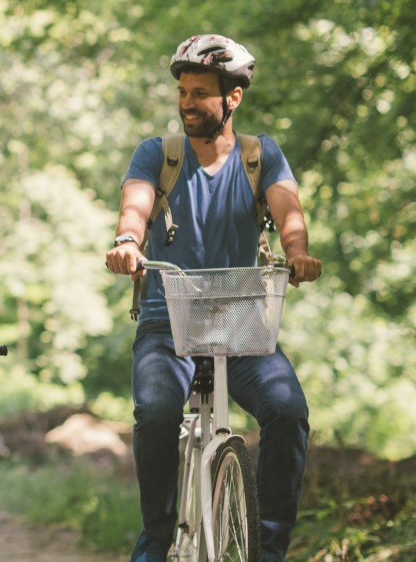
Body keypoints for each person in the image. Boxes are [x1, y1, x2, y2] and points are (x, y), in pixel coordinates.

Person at [104, 34, 323, 562]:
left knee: (288, 411)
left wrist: (298, 253)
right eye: (181, 91)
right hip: (168, 322)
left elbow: (289, 214)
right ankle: (157, 536)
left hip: (242, 322)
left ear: (233, 98)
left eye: (199, 93)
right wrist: (128, 241)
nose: (186, 103)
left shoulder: (259, 156)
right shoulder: (158, 154)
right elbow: (135, 207)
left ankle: (266, 550)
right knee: (155, 412)